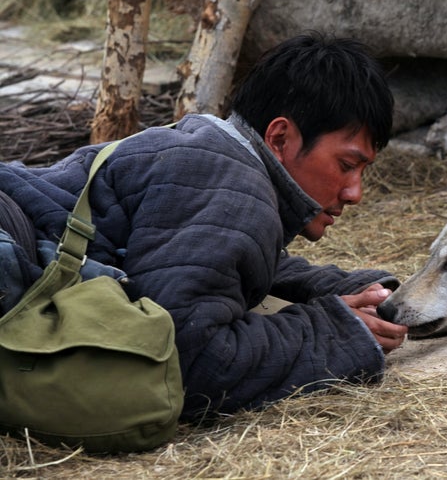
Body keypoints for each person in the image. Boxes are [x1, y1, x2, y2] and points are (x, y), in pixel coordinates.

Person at [0, 32, 408, 420]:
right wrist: (335, 332)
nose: (355, 192)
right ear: (280, 139)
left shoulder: (214, 154)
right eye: (347, 165)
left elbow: (218, 259)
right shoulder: (231, 184)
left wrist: (342, 289)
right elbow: (188, 360)